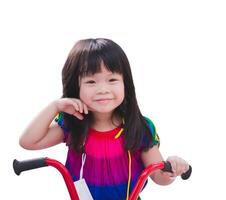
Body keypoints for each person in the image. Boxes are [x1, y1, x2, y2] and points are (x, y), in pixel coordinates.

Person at [19, 38, 189, 200]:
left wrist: (173, 168)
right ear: (75, 86)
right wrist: (55, 106)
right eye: (91, 81)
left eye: (112, 79)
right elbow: (28, 142)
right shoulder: (73, 125)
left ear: (125, 84)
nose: (102, 89)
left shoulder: (138, 127)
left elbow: (159, 177)